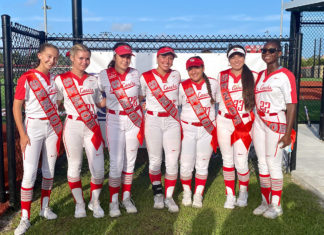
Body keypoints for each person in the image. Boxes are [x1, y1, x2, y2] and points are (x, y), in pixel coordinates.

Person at [13, 43, 62, 235]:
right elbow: (17, 107)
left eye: (56, 58)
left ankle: (45, 208)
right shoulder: (27, 78)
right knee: (30, 173)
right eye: (49, 56)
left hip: (52, 127)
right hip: (33, 127)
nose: (52, 61)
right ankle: (25, 218)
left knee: (49, 170)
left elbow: (57, 102)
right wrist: (22, 135)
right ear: (40, 55)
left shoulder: (55, 80)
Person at [55, 44, 106, 219]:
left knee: (98, 170)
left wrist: (118, 96)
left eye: (87, 59)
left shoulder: (94, 80)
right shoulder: (60, 80)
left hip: (92, 126)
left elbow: (100, 103)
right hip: (73, 126)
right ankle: (79, 204)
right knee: (74, 167)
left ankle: (95, 202)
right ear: (72, 58)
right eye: (81, 58)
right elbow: (57, 103)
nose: (84, 62)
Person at [98, 43, 144, 217]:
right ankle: (113, 201)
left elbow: (140, 95)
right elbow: (98, 96)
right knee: (116, 162)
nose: (125, 59)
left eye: (128, 56)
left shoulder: (135, 73)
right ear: (115, 56)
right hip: (114, 119)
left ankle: (126, 197)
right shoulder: (104, 75)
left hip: (133, 119)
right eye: (122, 56)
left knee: (130, 161)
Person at [252, 40, 297, 219]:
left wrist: (288, 133)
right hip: (259, 122)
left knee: (273, 164)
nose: (267, 53)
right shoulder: (261, 75)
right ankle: (265, 201)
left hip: (276, 121)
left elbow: (292, 104)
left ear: (279, 53)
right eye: (264, 50)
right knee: (261, 163)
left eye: (271, 50)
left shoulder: (285, 75)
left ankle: (276, 205)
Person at [140, 46, 181, 213]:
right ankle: (158, 192)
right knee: (155, 160)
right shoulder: (146, 77)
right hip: (153, 120)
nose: (167, 61)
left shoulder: (176, 75)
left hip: (172, 120)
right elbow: (140, 96)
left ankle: (169, 196)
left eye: (170, 58)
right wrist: (144, 105)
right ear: (157, 58)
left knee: (172, 161)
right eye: (164, 57)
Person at [216, 45, 257, 209]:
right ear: (228, 59)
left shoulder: (252, 75)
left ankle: (243, 192)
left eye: (239, 56)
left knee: (241, 161)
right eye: (233, 57)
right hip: (224, 122)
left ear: (244, 57)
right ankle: (230, 194)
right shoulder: (221, 76)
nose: (236, 59)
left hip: (243, 123)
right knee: (226, 159)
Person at [178, 56, 217, 208]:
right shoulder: (182, 86)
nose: (194, 71)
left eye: (197, 67)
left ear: (203, 68)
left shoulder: (213, 84)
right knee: (186, 164)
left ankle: (198, 194)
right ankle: (187, 192)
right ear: (187, 70)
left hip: (207, 130)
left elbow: (219, 102)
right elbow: (177, 104)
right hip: (188, 129)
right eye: (190, 68)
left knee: (202, 164)